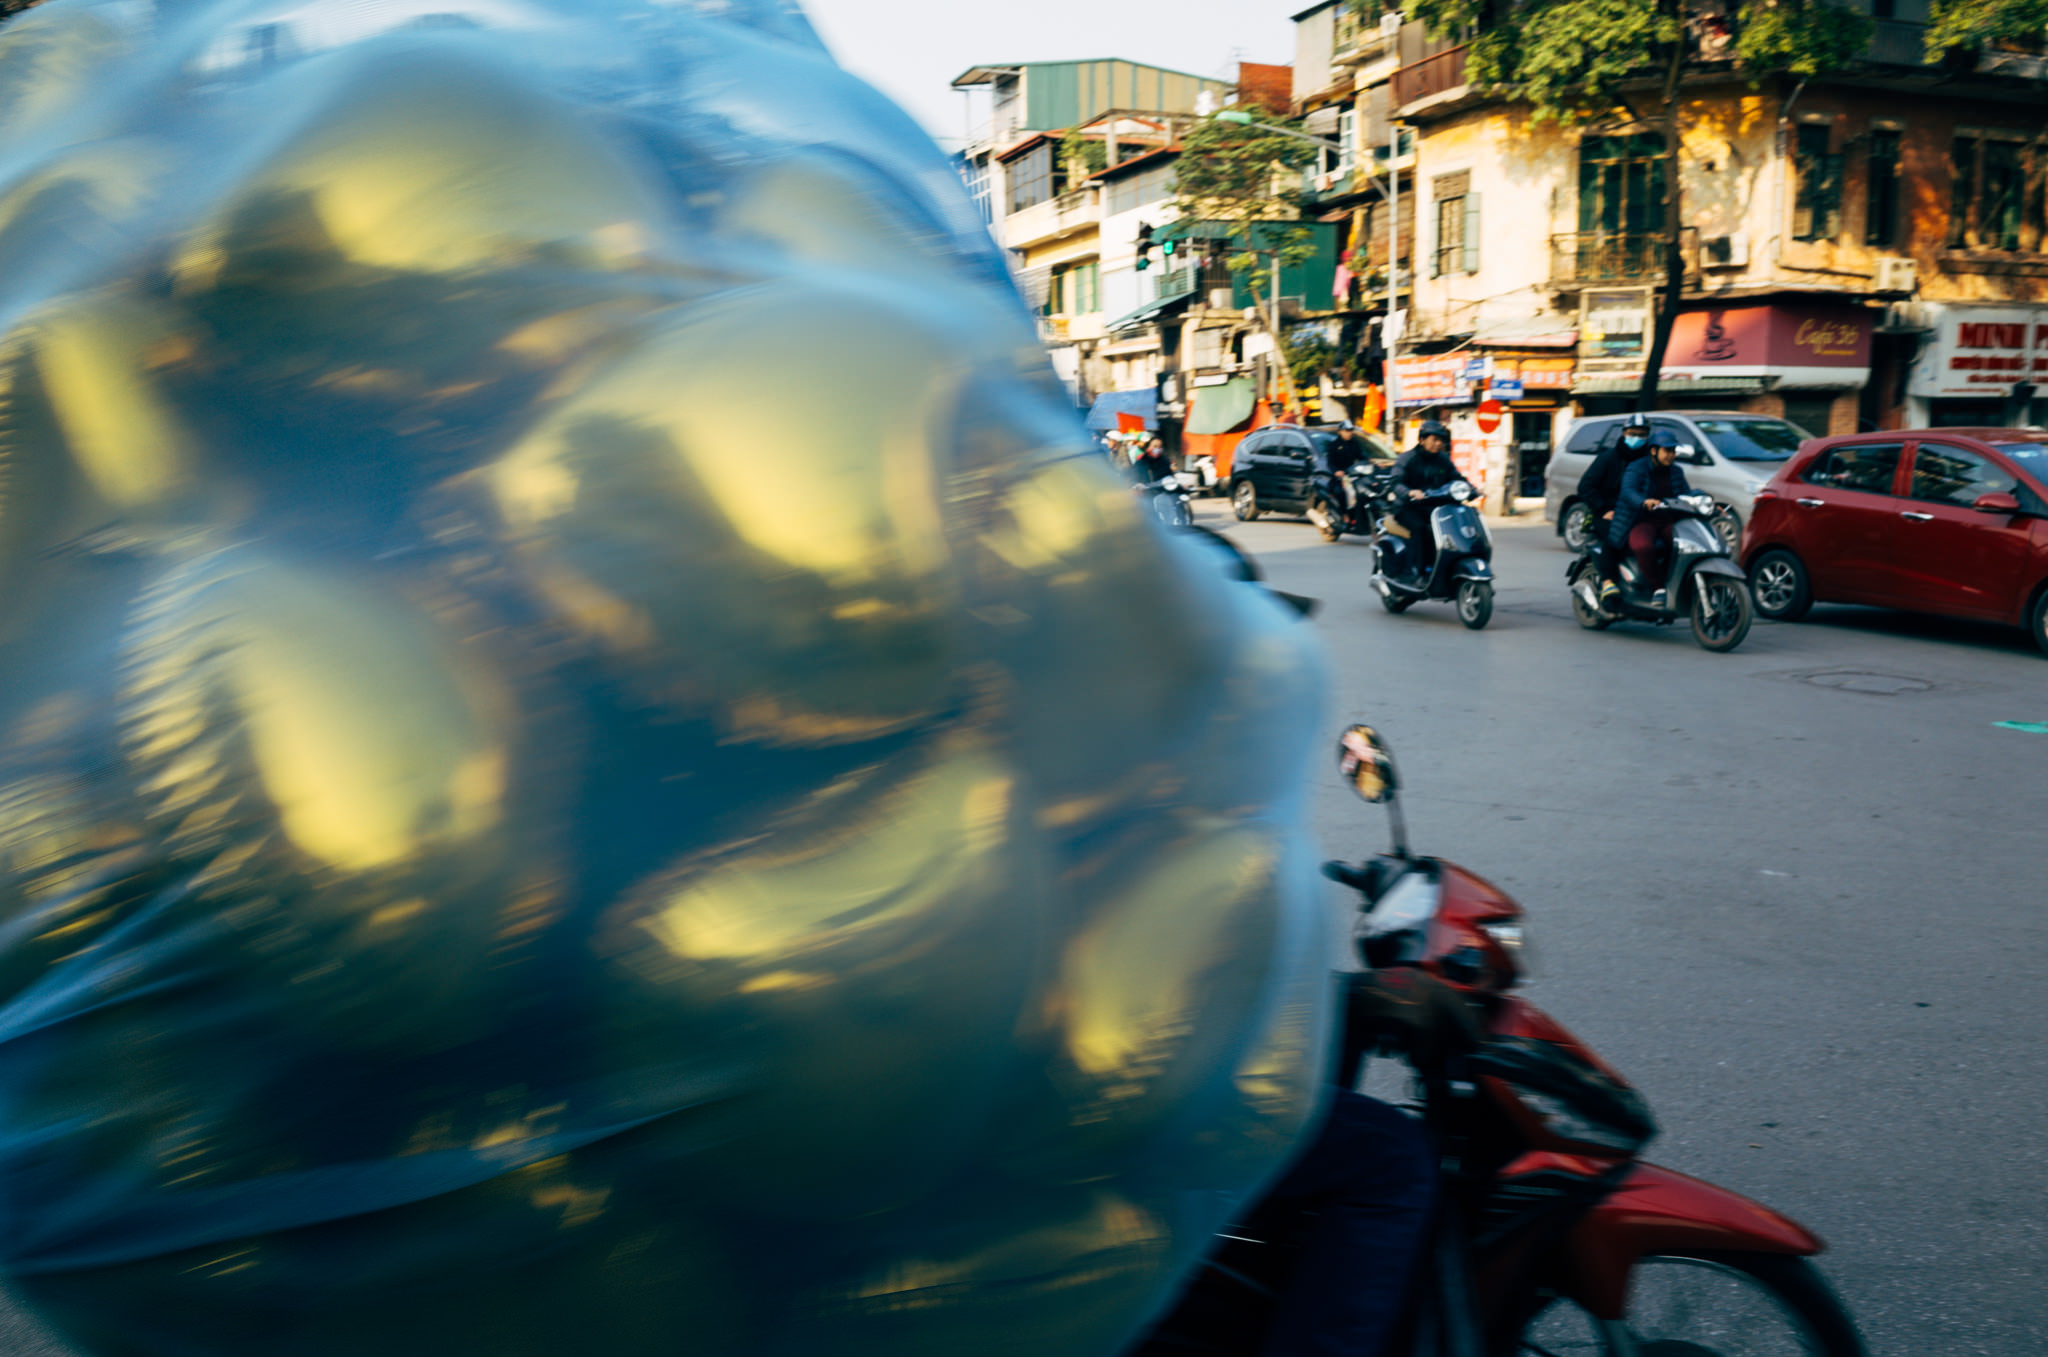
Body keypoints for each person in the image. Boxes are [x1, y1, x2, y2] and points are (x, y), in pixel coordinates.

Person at [1610, 431, 1694, 607]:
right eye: (1667, 451)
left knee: (1687, 544)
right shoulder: (1637, 468)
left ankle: (1677, 583)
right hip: (1641, 519)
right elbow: (1628, 492)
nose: (1671, 455)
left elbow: (1686, 493)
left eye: (1673, 451)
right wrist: (1643, 501)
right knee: (1643, 546)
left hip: (1669, 520)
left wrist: (1706, 500)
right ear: (1654, 451)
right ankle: (1658, 588)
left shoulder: (1676, 471)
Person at [1577, 415, 1652, 608]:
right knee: (1615, 537)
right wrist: (1603, 509)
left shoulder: (1649, 461)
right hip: (1608, 513)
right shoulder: (1608, 459)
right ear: (1624, 433)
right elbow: (1585, 487)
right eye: (1633, 434)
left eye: (1642, 435)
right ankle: (1608, 582)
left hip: (1639, 514)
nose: (1637, 438)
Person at [1385, 420, 1472, 577]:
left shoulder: (1443, 459)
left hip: (1435, 507)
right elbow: (1396, 483)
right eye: (1434, 440)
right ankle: (1420, 571)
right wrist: (1409, 492)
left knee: (1457, 526)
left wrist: (1472, 489)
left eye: (1441, 440)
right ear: (1422, 440)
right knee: (1421, 529)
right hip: (1409, 507)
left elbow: (1457, 478)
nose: (1438, 444)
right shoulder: (1407, 458)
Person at [1321, 423, 1370, 514]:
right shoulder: (1333, 445)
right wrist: (1336, 471)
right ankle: (1344, 515)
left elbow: (1362, 456)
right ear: (1340, 432)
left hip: (1352, 474)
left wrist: (1370, 462)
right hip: (1339, 478)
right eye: (1346, 431)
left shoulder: (1354, 444)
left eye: (1350, 431)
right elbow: (1330, 462)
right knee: (1341, 492)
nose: (1349, 433)